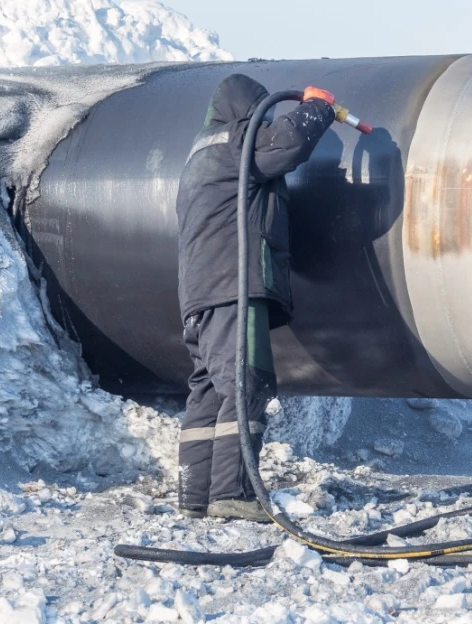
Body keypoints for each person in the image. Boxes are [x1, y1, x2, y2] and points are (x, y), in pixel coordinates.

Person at [174, 74, 336, 521]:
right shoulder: (236, 142)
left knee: (209, 390)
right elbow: (283, 146)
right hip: (233, 287)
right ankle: (233, 492)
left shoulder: (197, 155)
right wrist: (317, 107)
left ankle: (194, 495)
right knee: (249, 383)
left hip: (200, 295)